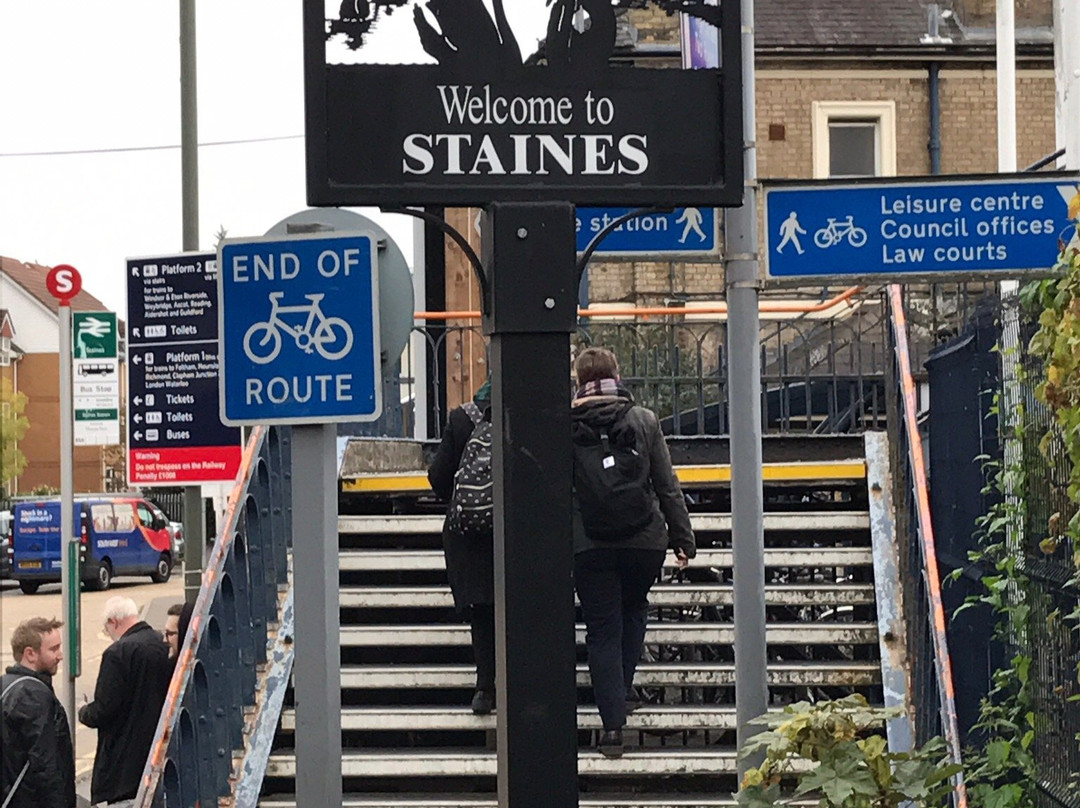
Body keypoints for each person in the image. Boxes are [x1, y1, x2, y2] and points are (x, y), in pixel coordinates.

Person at [570, 347, 696, 758]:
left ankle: (611, 729)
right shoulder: (643, 421)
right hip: (644, 541)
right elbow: (666, 484)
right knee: (635, 609)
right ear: (617, 374)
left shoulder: (566, 425)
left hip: (590, 544)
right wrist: (683, 537)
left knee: (603, 630)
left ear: (578, 380)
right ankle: (620, 693)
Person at [427, 378, 497, 715]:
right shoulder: (534, 417)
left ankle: (485, 688)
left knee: (482, 610)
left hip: (470, 534)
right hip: (518, 531)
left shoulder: (462, 418)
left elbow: (438, 477)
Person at [78, 596, 173, 806]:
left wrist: (84, 712)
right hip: (158, 749)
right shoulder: (163, 644)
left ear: (114, 622)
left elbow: (104, 708)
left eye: (106, 629)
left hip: (124, 761)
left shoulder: (117, 653)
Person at [1, 617, 75, 808]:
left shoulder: (6, 685)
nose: (60, 655)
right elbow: (45, 764)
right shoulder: (34, 695)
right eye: (53, 649)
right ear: (30, 654)